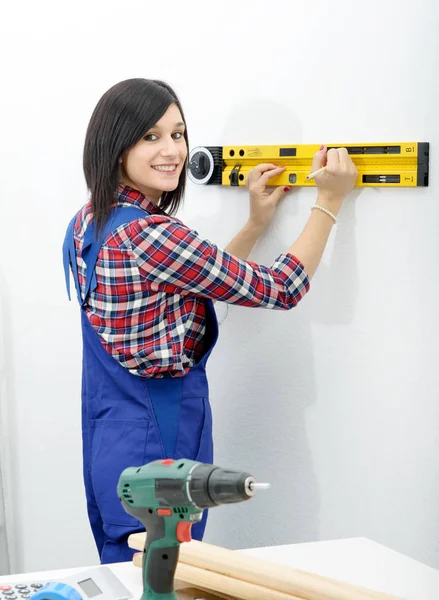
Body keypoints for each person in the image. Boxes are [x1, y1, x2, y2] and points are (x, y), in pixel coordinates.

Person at [63, 78, 358, 564]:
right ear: (116, 146)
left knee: (130, 578)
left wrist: (256, 224)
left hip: (111, 440)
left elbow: (189, 284)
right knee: (161, 581)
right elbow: (280, 288)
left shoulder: (91, 220)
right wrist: (329, 201)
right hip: (157, 442)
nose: (172, 150)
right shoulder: (151, 234)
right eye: (150, 137)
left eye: (178, 134)